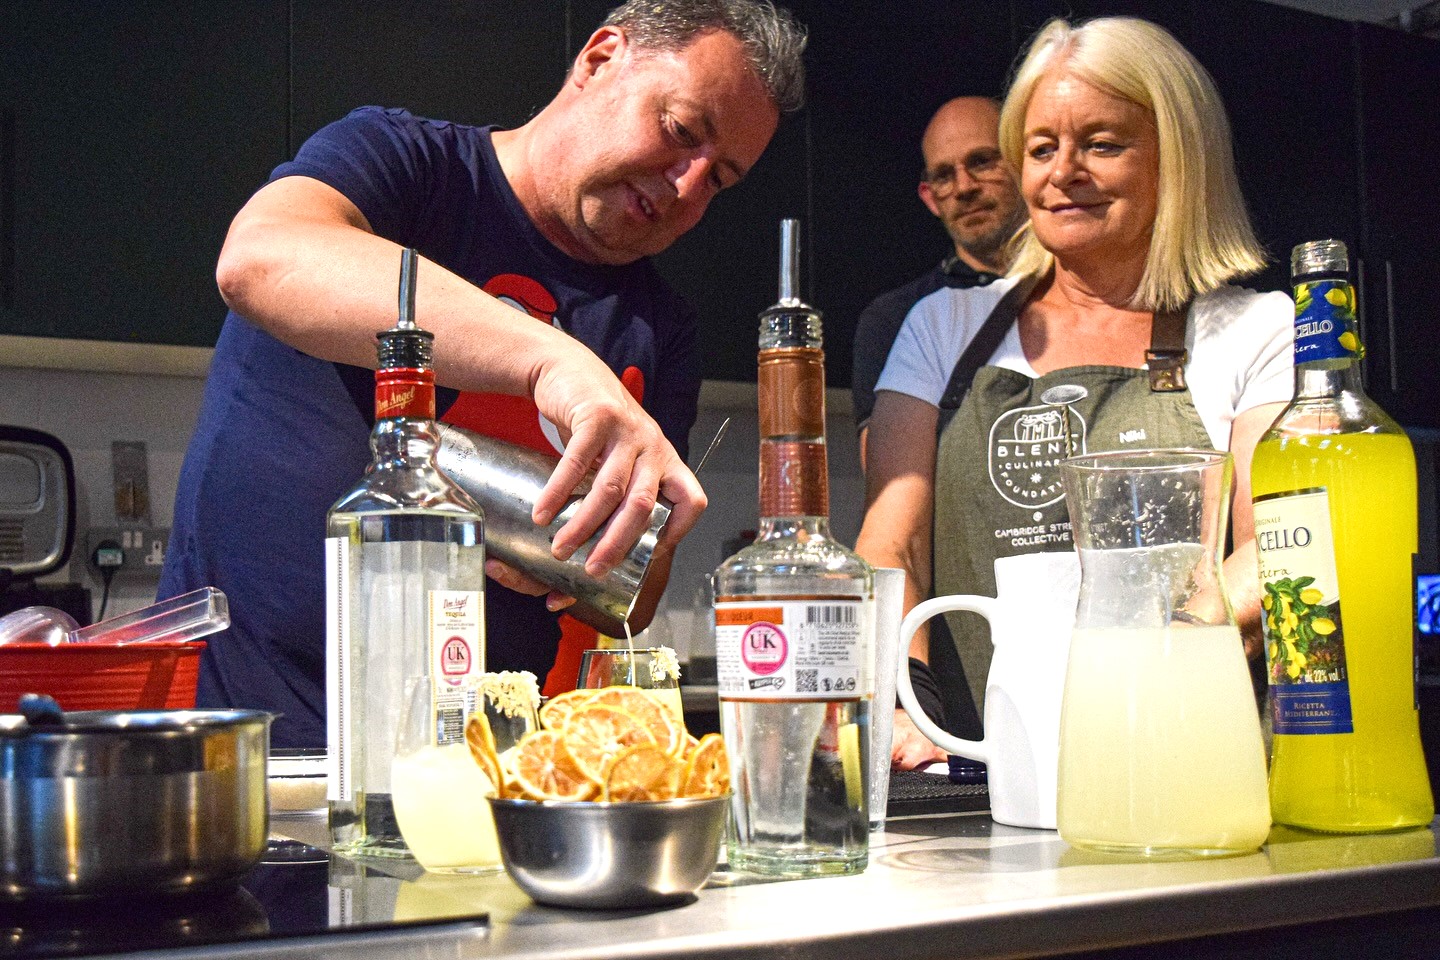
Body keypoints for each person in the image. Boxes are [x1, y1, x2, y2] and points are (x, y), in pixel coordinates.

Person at [160, 0, 807, 748]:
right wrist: (552, 360)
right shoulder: (407, 165)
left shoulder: (658, 324)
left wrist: (584, 564)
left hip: (481, 784)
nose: (688, 186)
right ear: (600, 60)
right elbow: (262, 258)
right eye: (681, 132)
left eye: (720, 179)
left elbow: (634, 598)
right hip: (249, 750)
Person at [856, 16, 1292, 769]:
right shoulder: (942, 327)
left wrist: (1152, 667)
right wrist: (906, 702)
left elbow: (1275, 550)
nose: (1063, 173)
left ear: (1177, 157)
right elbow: (892, 544)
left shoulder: (1255, 330)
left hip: (1179, 757)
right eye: (1041, 149)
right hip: (979, 773)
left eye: (1102, 144)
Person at [850, 96, 1027, 467]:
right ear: (929, 198)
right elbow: (889, 480)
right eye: (944, 175)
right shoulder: (896, 319)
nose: (965, 187)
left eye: (981, 161)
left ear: (1025, 163)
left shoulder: (1082, 292)